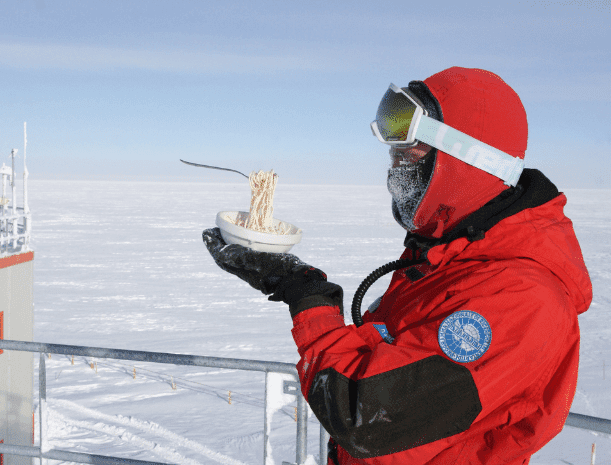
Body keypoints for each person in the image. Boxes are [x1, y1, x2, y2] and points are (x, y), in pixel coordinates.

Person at [202, 66, 593, 464]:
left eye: (408, 148)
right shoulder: (447, 256)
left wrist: (309, 300)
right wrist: (294, 281)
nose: (394, 163)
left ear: (466, 158)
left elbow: (366, 418)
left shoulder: (521, 300)